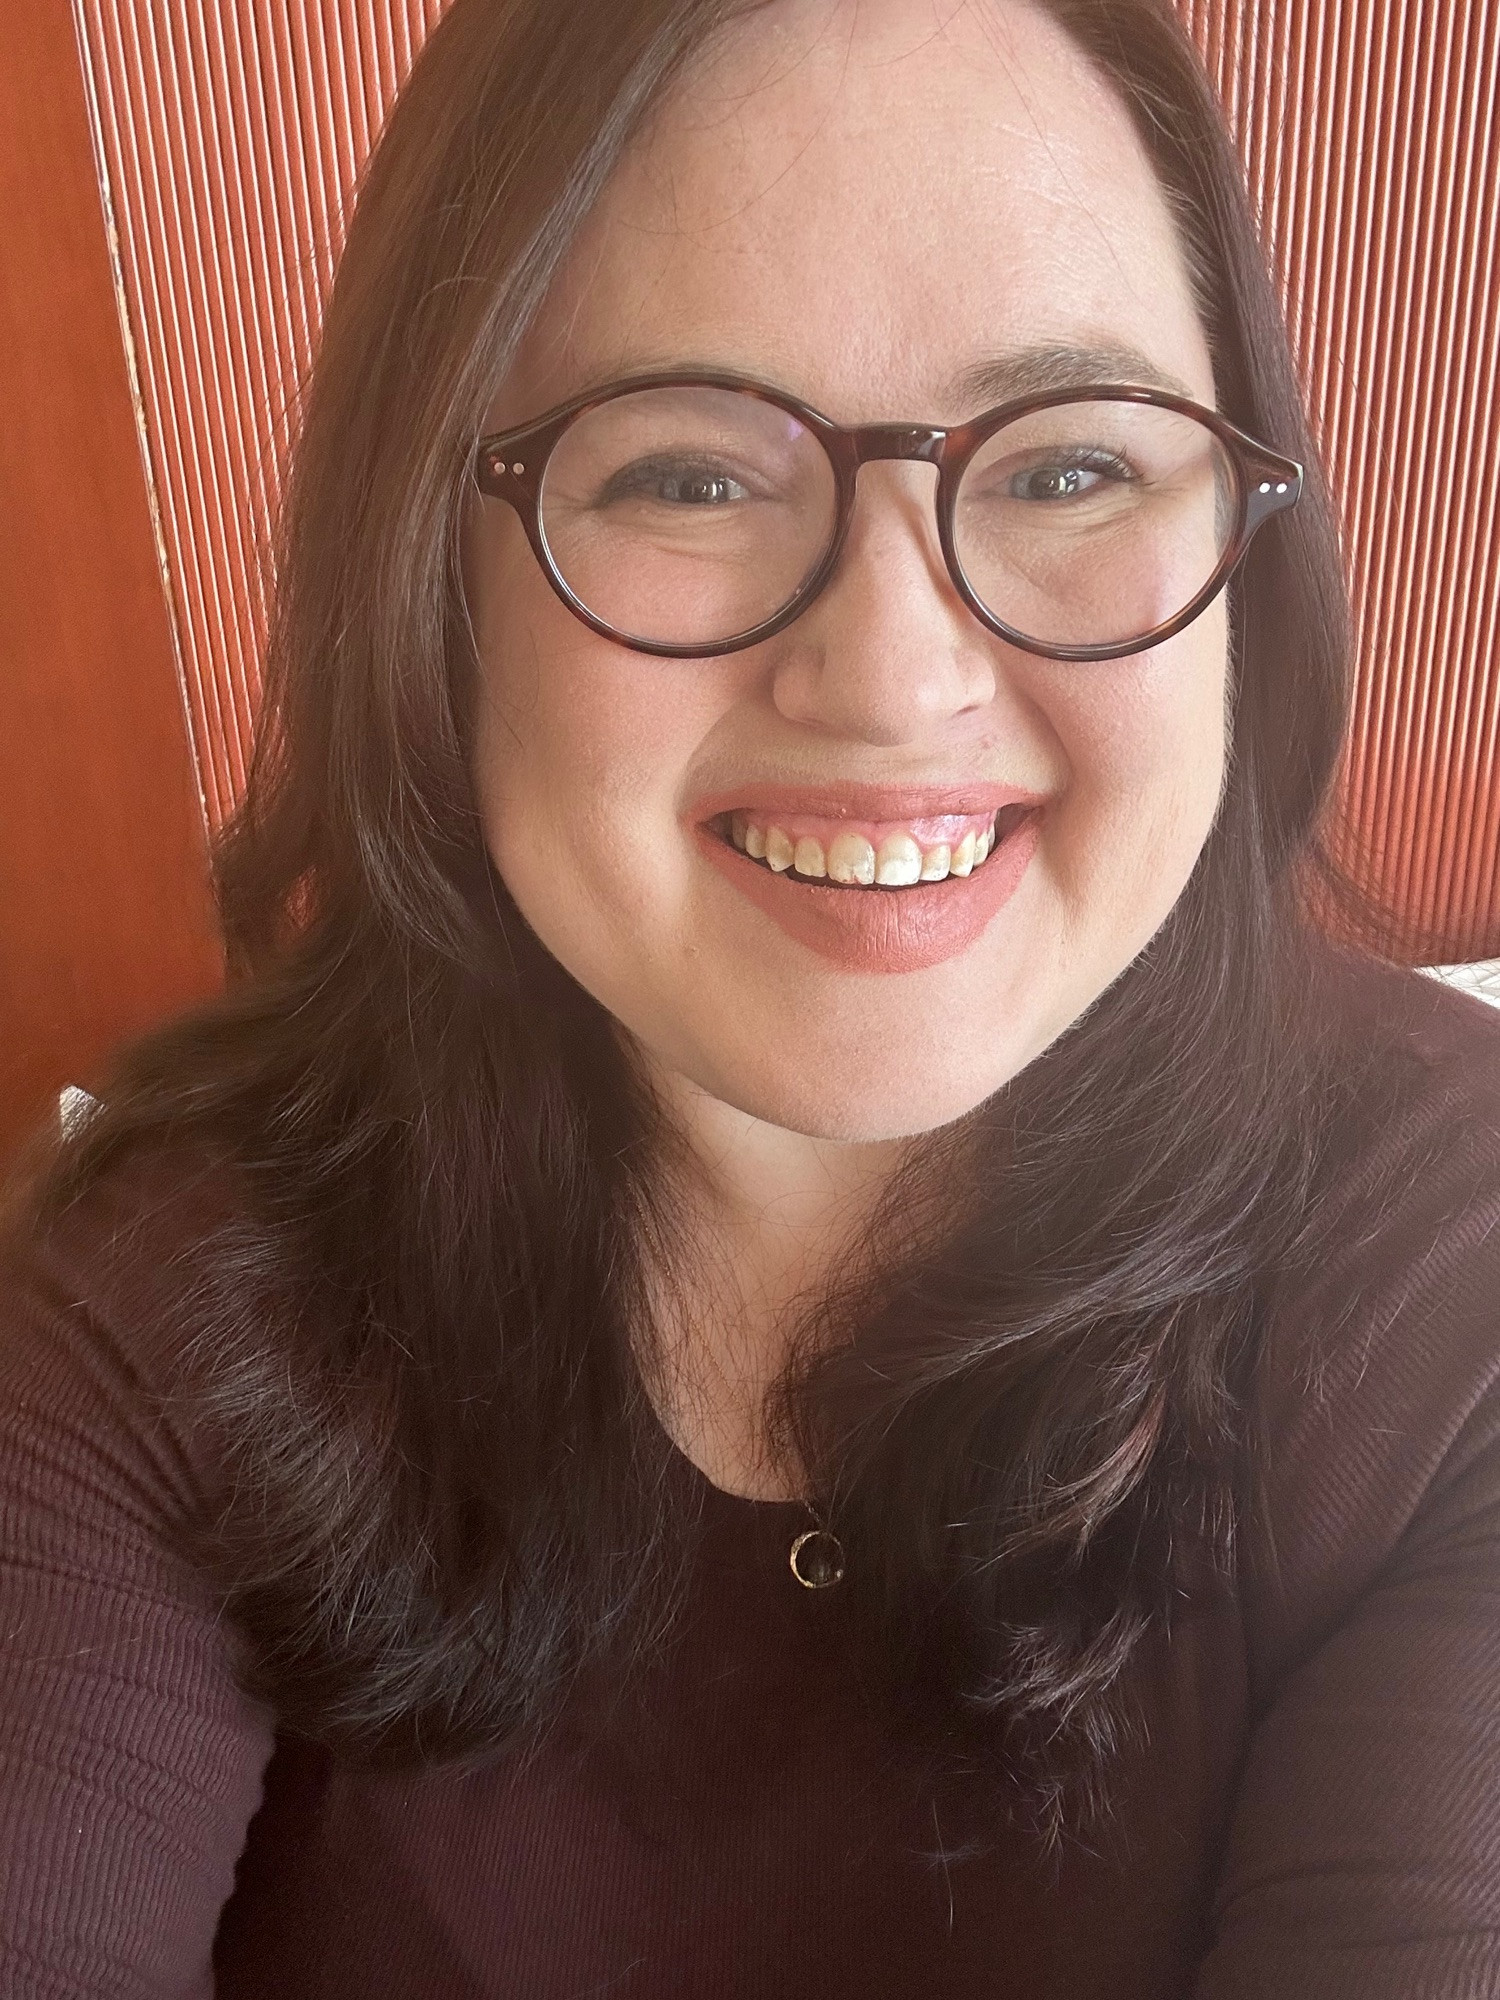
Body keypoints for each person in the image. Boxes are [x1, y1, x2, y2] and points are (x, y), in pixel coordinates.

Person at [1, 0, 1497, 1992]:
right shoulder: (156, 1307)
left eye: (1064, 467)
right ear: (429, 575)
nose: (891, 674)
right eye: (692, 475)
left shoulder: (1451, 1278)